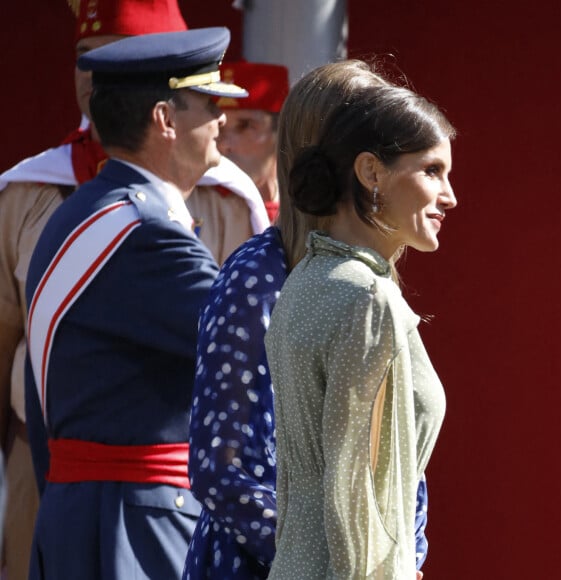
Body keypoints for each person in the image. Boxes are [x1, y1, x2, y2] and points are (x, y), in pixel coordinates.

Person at [183, 60, 434, 580]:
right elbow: (222, 470)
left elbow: (400, 468)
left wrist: (399, 558)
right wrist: (323, 563)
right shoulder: (257, 276)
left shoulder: (373, 280)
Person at [24, 28, 247, 580]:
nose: (222, 120)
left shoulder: (90, 212)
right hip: (133, 526)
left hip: (88, 514)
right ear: (165, 120)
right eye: (210, 104)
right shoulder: (145, 232)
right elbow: (257, 345)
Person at [0, 2, 191, 578]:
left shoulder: (223, 194)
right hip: (43, 463)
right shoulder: (27, 188)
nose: (94, 73)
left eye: (117, 54)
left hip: (175, 480)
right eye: (85, 57)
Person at [264, 60, 457, 579]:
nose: (450, 196)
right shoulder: (367, 298)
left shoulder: (306, 278)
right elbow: (353, 489)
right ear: (371, 171)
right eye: (432, 171)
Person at [215, 61, 289, 223]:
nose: (223, 145)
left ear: (280, 132)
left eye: (244, 126)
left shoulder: (307, 210)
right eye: (218, 126)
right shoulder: (194, 208)